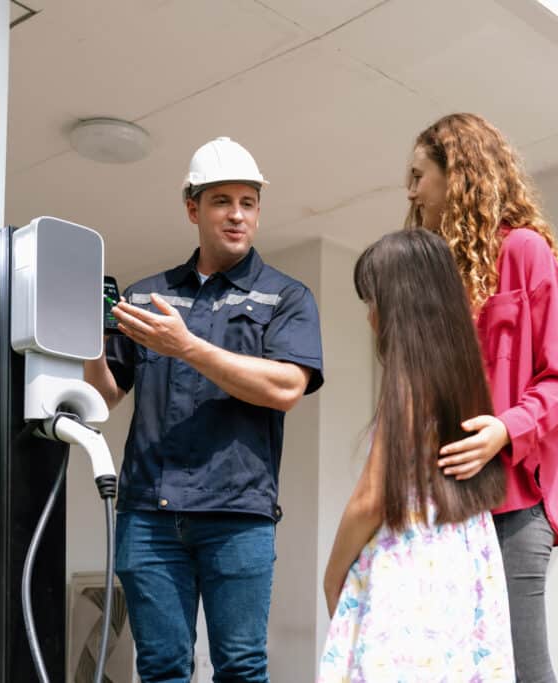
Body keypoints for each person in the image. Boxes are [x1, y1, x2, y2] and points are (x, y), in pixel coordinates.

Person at [84, 136, 324, 683]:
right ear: (193, 209)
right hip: (148, 516)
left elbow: (287, 387)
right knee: (161, 668)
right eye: (222, 201)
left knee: (240, 668)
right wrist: (92, 341)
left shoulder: (286, 298)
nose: (237, 215)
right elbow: (104, 398)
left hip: (237, 515)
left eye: (248, 202)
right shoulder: (146, 298)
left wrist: (187, 346)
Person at [406, 113, 558, 683]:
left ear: (456, 175)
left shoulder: (526, 251)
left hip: (515, 504)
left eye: (418, 176)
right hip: (444, 502)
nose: (411, 192)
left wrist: (505, 429)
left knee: (522, 667)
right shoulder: (438, 274)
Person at [318, 229, 515, 681]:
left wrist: (332, 576)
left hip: (411, 566)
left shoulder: (409, 381)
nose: (371, 317)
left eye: (374, 301)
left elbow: (372, 497)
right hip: (461, 564)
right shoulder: (463, 371)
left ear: (399, 304)